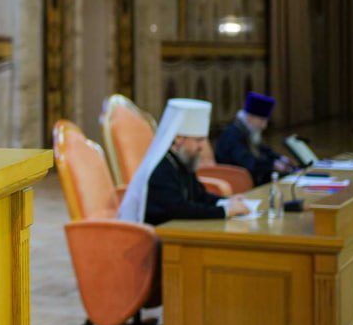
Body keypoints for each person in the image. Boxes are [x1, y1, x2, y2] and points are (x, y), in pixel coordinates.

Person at [118, 99, 250, 226]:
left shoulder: (182, 162)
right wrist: (224, 211)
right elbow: (179, 209)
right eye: (198, 140)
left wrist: (226, 201)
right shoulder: (161, 168)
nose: (202, 147)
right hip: (159, 235)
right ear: (178, 139)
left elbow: (200, 196)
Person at [215, 91, 294, 185]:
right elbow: (247, 162)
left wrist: (281, 158)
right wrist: (273, 165)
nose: (264, 126)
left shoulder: (248, 130)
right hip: (236, 180)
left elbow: (264, 149)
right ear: (250, 117)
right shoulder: (232, 135)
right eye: (262, 120)